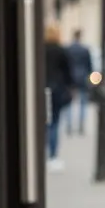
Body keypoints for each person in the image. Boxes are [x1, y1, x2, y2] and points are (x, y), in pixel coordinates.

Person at [44, 23, 73, 172]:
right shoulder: (61, 51)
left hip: (41, 89)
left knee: (43, 124)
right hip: (56, 91)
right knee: (54, 123)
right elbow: (68, 73)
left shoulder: (40, 49)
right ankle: (53, 156)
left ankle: (39, 154)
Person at [65, 29, 93, 135]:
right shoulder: (84, 50)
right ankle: (81, 125)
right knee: (83, 102)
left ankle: (69, 125)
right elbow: (89, 66)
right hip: (82, 78)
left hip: (71, 77)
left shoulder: (68, 49)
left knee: (70, 102)